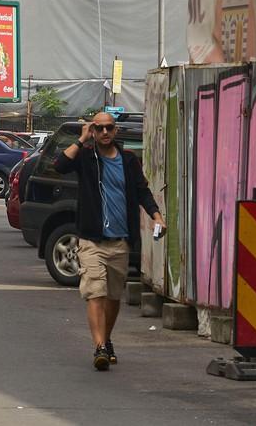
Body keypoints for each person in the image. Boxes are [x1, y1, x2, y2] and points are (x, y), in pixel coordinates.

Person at [55, 111, 164, 371]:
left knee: (113, 297)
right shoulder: (86, 158)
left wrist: (157, 216)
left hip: (120, 241)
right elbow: (60, 165)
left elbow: (142, 191)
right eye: (99, 128)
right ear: (93, 131)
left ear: (115, 131)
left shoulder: (128, 160)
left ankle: (107, 338)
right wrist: (81, 139)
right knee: (96, 293)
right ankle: (100, 347)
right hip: (91, 241)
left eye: (109, 128)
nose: (104, 132)